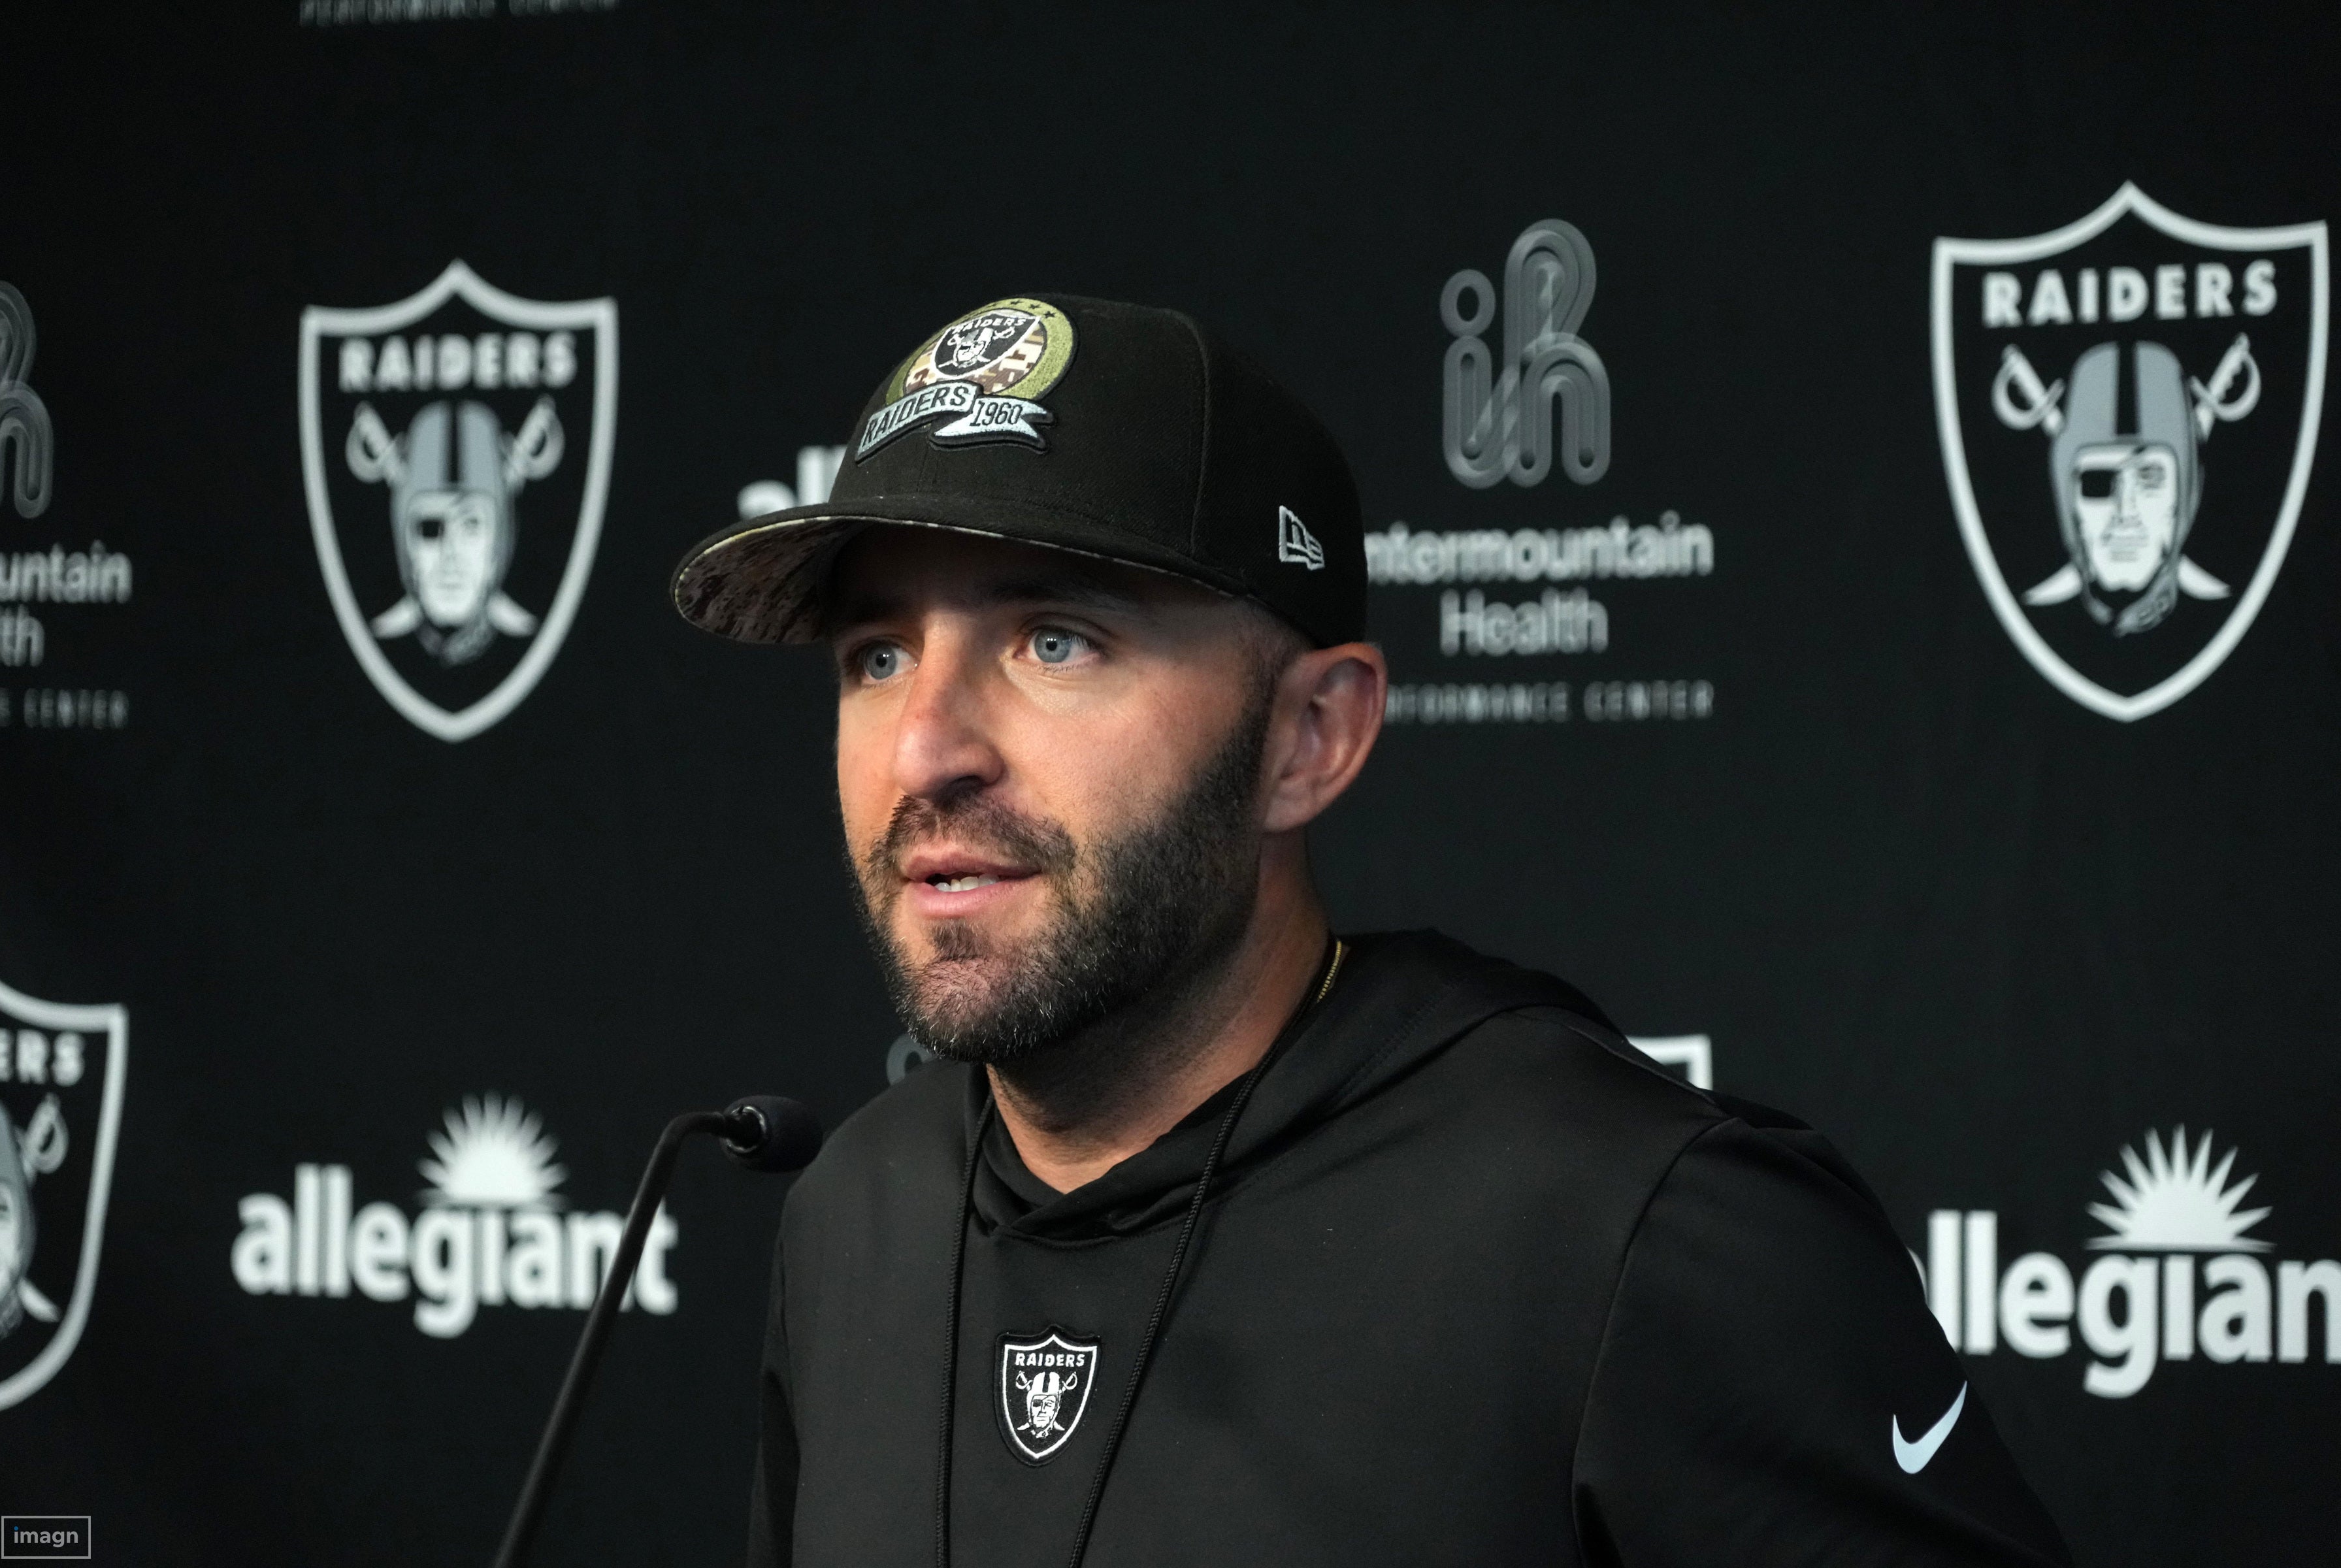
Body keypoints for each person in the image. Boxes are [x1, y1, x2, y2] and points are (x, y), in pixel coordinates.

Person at [672, 295, 2072, 1567]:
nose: (924, 746)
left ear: (1310, 736)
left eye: (1056, 640)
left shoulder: (1640, 1229)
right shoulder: (852, 1211)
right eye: (875, 654)